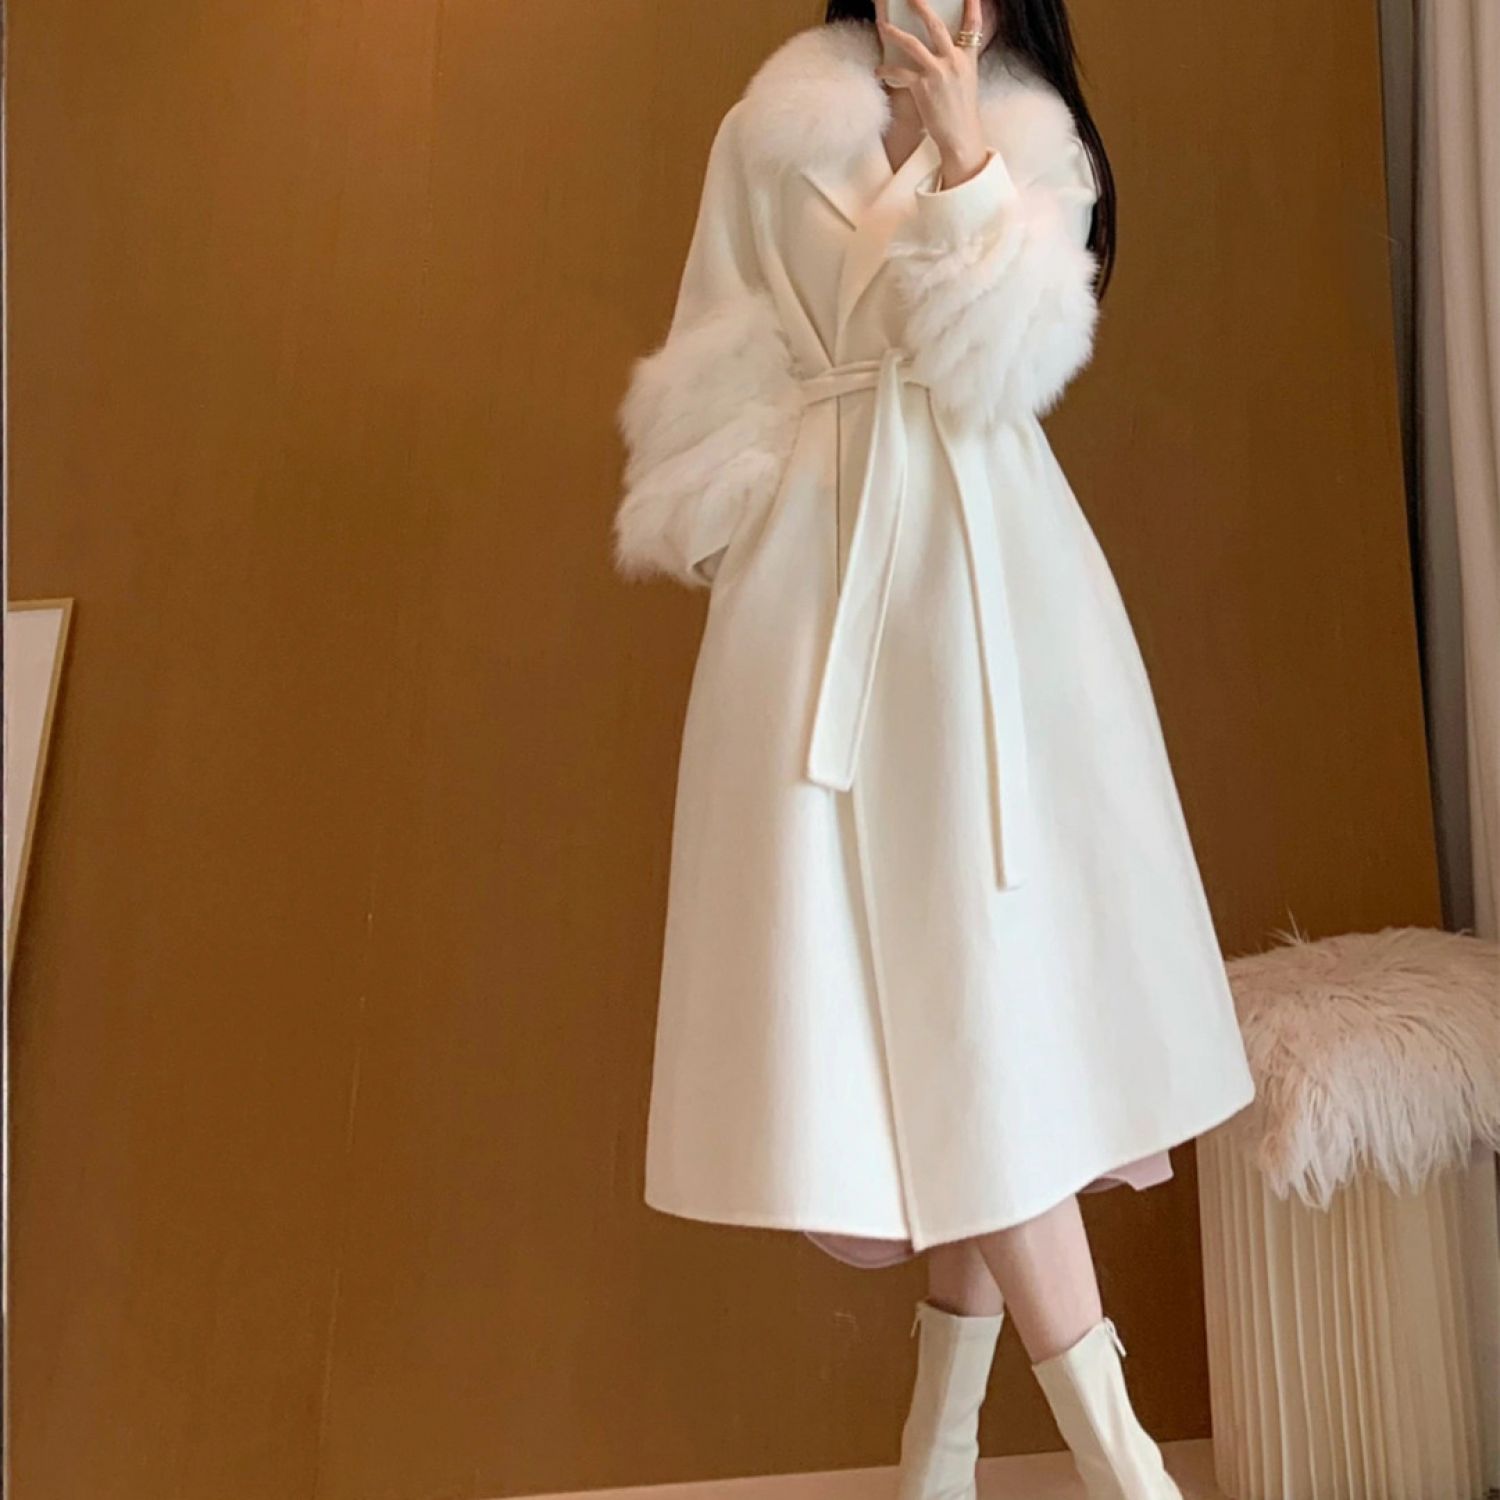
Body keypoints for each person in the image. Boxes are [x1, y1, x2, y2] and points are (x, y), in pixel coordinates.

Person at [611, 2, 1257, 1496]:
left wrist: (966, 160)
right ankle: (1002, 1459)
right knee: (937, 1021)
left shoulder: (1037, 138)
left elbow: (1017, 365)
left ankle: (1003, 1460)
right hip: (818, 602)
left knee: (981, 1010)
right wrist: (755, 527)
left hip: (991, 599)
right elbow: (715, 355)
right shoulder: (768, 127)